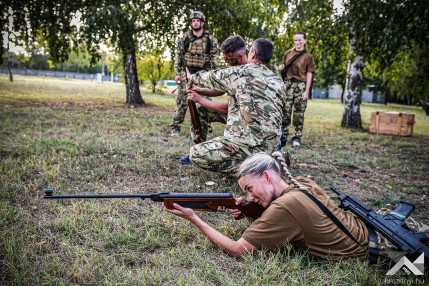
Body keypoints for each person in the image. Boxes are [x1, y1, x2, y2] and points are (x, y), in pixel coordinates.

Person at [166, 152, 369, 259]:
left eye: (250, 188)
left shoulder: (285, 207)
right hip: (366, 234)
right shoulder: (302, 182)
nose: (249, 196)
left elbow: (238, 250)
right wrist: (250, 210)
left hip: (360, 256)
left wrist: (194, 218)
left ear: (266, 176)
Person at [186, 38, 288, 173]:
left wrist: (190, 78)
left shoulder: (241, 72)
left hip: (249, 145)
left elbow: (208, 77)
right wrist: (200, 92)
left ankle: (251, 168)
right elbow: (224, 87)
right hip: (271, 143)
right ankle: (271, 160)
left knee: (196, 153)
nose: (229, 62)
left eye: (230, 59)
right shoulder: (277, 79)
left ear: (252, 53)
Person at [170, 10, 220, 139]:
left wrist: (213, 74)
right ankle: (175, 127)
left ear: (202, 22)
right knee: (182, 103)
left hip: (204, 75)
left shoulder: (210, 39)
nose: (195, 23)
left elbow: (214, 57)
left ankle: (205, 127)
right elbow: (179, 57)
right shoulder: (185, 38)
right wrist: (178, 73)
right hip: (187, 74)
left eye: (198, 20)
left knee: (204, 103)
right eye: (193, 21)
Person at [279, 32, 315, 147]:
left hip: (301, 86)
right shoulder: (288, 54)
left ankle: (297, 137)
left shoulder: (308, 56)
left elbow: (310, 74)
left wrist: (307, 91)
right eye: (295, 40)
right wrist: (280, 68)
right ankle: (283, 136)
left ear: (305, 41)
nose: (298, 43)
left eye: (300, 40)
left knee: (299, 113)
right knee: (285, 111)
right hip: (288, 85)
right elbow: (283, 68)